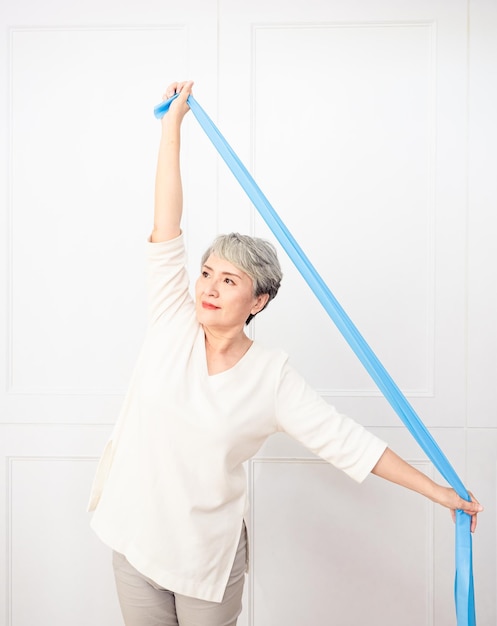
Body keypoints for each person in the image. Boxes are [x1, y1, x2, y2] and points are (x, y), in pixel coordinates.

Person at [88, 80, 483, 626]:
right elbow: (166, 224)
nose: (208, 287)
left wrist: (439, 493)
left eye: (230, 280)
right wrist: (172, 128)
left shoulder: (270, 378)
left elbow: (349, 442)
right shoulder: (172, 320)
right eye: (206, 273)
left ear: (259, 300)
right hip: (134, 544)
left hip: (205, 562)